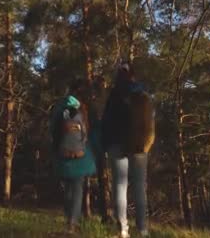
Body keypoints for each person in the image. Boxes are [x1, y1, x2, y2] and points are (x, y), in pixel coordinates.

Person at [102, 63, 153, 238]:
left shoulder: (114, 94)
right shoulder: (142, 94)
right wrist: (147, 144)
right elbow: (149, 123)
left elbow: (106, 122)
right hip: (139, 146)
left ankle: (123, 229)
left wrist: (105, 144)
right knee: (139, 188)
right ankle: (143, 229)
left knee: (120, 186)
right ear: (133, 74)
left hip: (116, 145)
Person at [48, 78, 97, 234]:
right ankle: (72, 223)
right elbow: (88, 132)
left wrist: (57, 149)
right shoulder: (83, 108)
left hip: (63, 152)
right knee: (77, 188)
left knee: (68, 189)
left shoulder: (60, 106)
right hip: (80, 153)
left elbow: (53, 129)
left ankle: (69, 220)